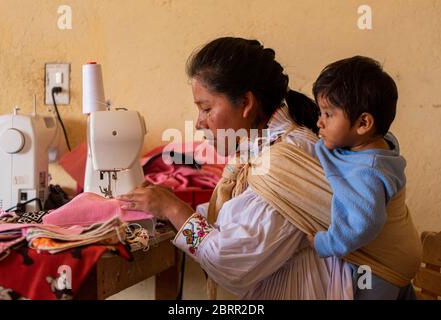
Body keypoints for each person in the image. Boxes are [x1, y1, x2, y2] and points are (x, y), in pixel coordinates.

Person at [117, 38, 413, 299]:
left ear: (246, 102)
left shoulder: (283, 160)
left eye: (207, 108)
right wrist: (172, 208)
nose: (199, 122)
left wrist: (174, 211)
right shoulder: (259, 149)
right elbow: (240, 216)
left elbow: (231, 262)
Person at [309, 56, 422, 299]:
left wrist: (324, 243)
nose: (319, 121)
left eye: (328, 114)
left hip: (381, 268)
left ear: (363, 123)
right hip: (399, 256)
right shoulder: (375, 148)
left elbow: (363, 224)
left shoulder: (368, 172)